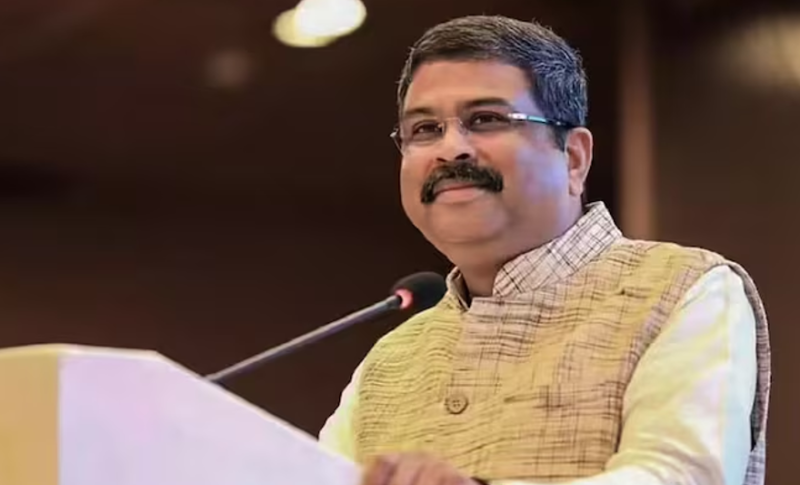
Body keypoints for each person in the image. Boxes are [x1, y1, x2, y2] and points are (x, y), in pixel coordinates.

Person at [318, 14, 771, 485]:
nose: (449, 150)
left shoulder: (684, 289)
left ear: (573, 158)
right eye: (425, 129)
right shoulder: (390, 360)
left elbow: (679, 476)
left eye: (486, 119)